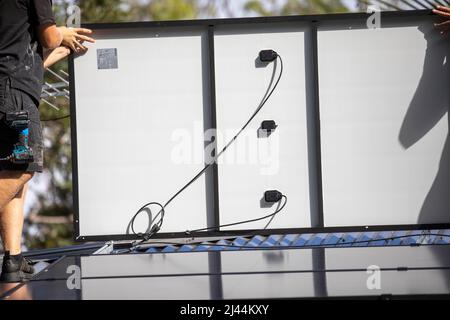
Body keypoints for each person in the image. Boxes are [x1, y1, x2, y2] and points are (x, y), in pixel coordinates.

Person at [0, 0, 94, 282]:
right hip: (16, 96)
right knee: (23, 167)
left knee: (14, 173)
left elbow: (29, 60)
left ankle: (13, 259)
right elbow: (50, 36)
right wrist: (62, 35)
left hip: (8, 89)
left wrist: (65, 48)